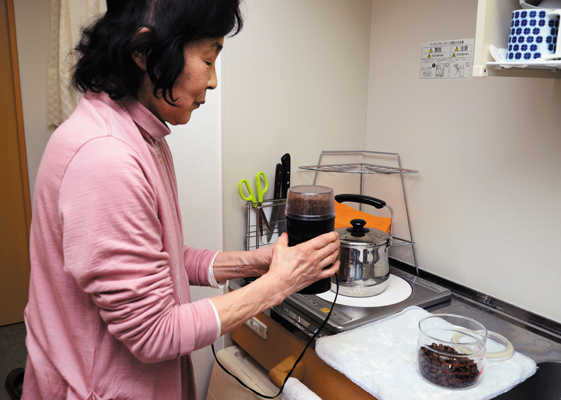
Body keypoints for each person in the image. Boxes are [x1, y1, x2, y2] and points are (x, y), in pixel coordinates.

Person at [22, 1, 340, 399]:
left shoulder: (140, 136)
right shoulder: (105, 157)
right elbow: (154, 332)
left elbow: (159, 258)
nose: (213, 82)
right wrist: (280, 283)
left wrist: (255, 262)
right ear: (143, 52)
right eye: (208, 60)